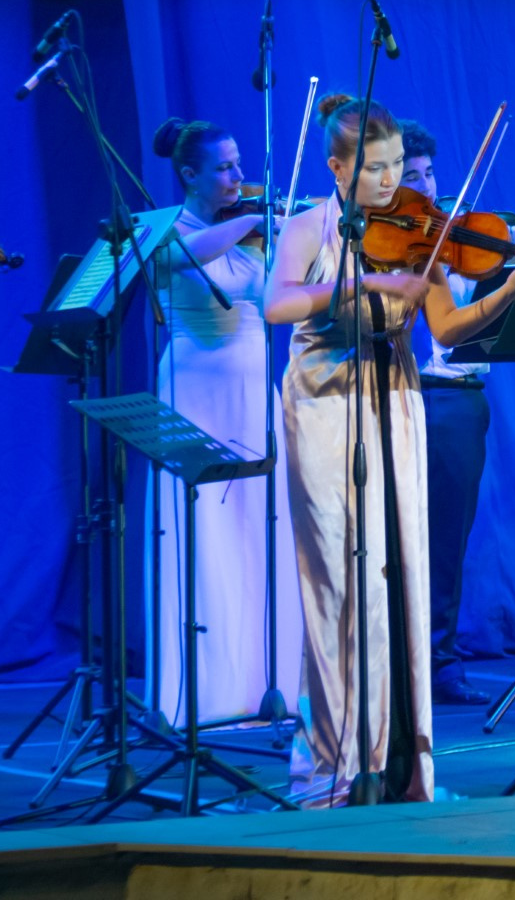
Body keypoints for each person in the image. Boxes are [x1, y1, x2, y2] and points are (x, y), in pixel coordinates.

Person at [263, 94, 515, 806]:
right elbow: (276, 304)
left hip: (396, 398)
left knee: (399, 575)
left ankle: (400, 764)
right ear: (338, 168)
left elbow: (448, 327)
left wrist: (513, 287)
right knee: (338, 583)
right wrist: (368, 280)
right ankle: (336, 761)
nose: (391, 181)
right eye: (376, 168)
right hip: (324, 404)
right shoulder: (308, 227)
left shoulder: (417, 229)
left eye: (397, 165)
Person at [144, 117, 303, 725]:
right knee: (203, 532)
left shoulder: (250, 234)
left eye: (239, 164)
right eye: (225, 168)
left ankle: (267, 681)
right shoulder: (166, 229)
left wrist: (290, 234)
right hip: (195, 393)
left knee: (259, 529)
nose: (240, 177)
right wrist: (256, 219)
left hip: (252, 394)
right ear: (189, 174)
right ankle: (205, 691)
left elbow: (278, 302)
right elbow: (183, 256)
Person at [398, 119, 515, 706]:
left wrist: (509, 261)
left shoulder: (458, 237)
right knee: (406, 539)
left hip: (460, 400)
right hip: (415, 393)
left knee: (449, 539)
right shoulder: (398, 244)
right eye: (411, 177)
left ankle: (439, 660)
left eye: (429, 174)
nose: (427, 188)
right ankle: (406, 662)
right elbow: (445, 328)